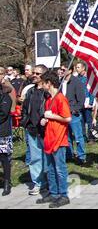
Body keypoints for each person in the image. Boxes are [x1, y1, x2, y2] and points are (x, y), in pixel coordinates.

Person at [36, 71, 71, 208]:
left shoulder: (60, 98)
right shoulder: (49, 99)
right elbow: (50, 116)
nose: (42, 85)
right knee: (49, 168)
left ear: (49, 83)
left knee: (60, 168)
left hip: (59, 138)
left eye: (43, 83)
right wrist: (46, 119)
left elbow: (67, 118)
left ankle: (63, 195)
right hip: (49, 138)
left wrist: (52, 116)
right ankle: (54, 192)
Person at [20, 64, 49, 196]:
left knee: (48, 157)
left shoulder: (48, 92)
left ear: (44, 75)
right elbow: (25, 108)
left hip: (45, 129)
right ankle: (38, 183)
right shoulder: (31, 91)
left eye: (38, 74)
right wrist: (25, 121)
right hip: (32, 129)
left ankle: (49, 182)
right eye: (34, 73)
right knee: (35, 158)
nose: (35, 75)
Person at [60, 64, 86, 164]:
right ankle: (69, 154)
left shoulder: (76, 82)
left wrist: (74, 109)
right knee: (67, 136)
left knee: (78, 136)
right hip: (63, 114)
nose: (61, 71)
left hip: (73, 114)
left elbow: (81, 100)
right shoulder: (61, 82)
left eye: (63, 69)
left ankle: (81, 156)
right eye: (60, 69)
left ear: (70, 70)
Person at [75, 62, 96, 143]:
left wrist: (91, 101)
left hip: (87, 102)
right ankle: (83, 137)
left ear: (83, 68)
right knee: (81, 120)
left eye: (78, 67)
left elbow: (91, 90)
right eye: (76, 67)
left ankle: (91, 137)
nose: (77, 69)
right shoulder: (76, 78)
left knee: (89, 120)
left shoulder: (88, 78)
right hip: (80, 103)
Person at [0, 81, 13, 195]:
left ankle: (7, 182)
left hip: (2, 132)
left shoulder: (6, 97)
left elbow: (3, 114)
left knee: (4, 158)